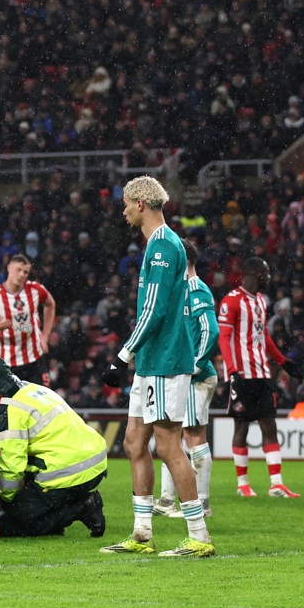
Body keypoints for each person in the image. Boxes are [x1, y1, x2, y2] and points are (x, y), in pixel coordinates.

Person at [102, 175, 214, 557]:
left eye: (126, 203)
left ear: (141, 205)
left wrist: (122, 355)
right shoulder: (161, 244)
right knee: (134, 443)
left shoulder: (163, 247)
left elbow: (155, 309)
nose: (123, 210)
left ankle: (199, 535)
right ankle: (142, 533)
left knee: (169, 446)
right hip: (153, 360)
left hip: (166, 360)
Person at [0, 358, 107, 538]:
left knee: (14, 522)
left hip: (68, 470)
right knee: (31, 503)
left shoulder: (9, 408)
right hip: (93, 460)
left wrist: (4, 501)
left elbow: (12, 464)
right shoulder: (33, 389)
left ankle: (83, 507)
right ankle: (68, 509)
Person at [219, 258, 298, 498]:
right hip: (241, 374)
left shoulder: (261, 302)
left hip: (262, 373)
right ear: (253, 274)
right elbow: (224, 339)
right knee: (241, 426)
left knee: (269, 425)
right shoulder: (231, 301)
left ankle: (276, 484)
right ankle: (243, 484)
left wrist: (283, 361)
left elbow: (263, 336)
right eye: (265, 273)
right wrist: (232, 371)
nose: (269, 277)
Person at [157, 243, 221, 518]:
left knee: (194, 437)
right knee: (171, 434)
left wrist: (194, 365)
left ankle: (202, 504)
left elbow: (211, 330)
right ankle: (167, 499)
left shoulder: (196, 289)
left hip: (197, 377)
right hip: (183, 375)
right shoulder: (181, 290)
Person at [0, 254, 55, 385]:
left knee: (42, 402)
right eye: (18, 270)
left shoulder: (35, 289)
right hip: (9, 364)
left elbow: (50, 304)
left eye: (26, 272)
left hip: (35, 358)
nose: (22, 275)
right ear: (9, 268)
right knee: (13, 404)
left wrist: (45, 335)